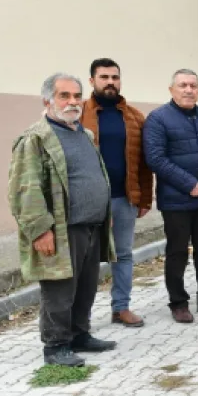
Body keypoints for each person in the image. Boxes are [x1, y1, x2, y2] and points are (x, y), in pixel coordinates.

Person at [9, 73, 115, 367]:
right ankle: (55, 347)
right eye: (64, 96)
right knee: (59, 290)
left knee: (86, 286)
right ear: (47, 101)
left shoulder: (84, 134)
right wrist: (40, 230)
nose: (72, 102)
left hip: (91, 226)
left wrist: (105, 213)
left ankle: (80, 335)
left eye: (76, 95)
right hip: (61, 230)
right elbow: (24, 190)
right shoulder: (35, 139)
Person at [143, 69, 198, 322]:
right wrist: (190, 184)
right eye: (183, 85)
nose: (189, 90)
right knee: (178, 252)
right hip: (177, 199)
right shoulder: (158, 119)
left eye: (193, 85)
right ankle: (178, 302)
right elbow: (156, 159)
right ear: (172, 89)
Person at [80, 58, 152, 328]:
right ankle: (81, 316)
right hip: (90, 202)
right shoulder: (80, 114)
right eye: (104, 77)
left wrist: (145, 197)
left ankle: (120, 307)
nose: (110, 82)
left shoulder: (133, 117)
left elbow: (143, 161)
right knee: (86, 260)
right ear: (92, 81)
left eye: (115, 77)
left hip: (124, 198)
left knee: (123, 254)